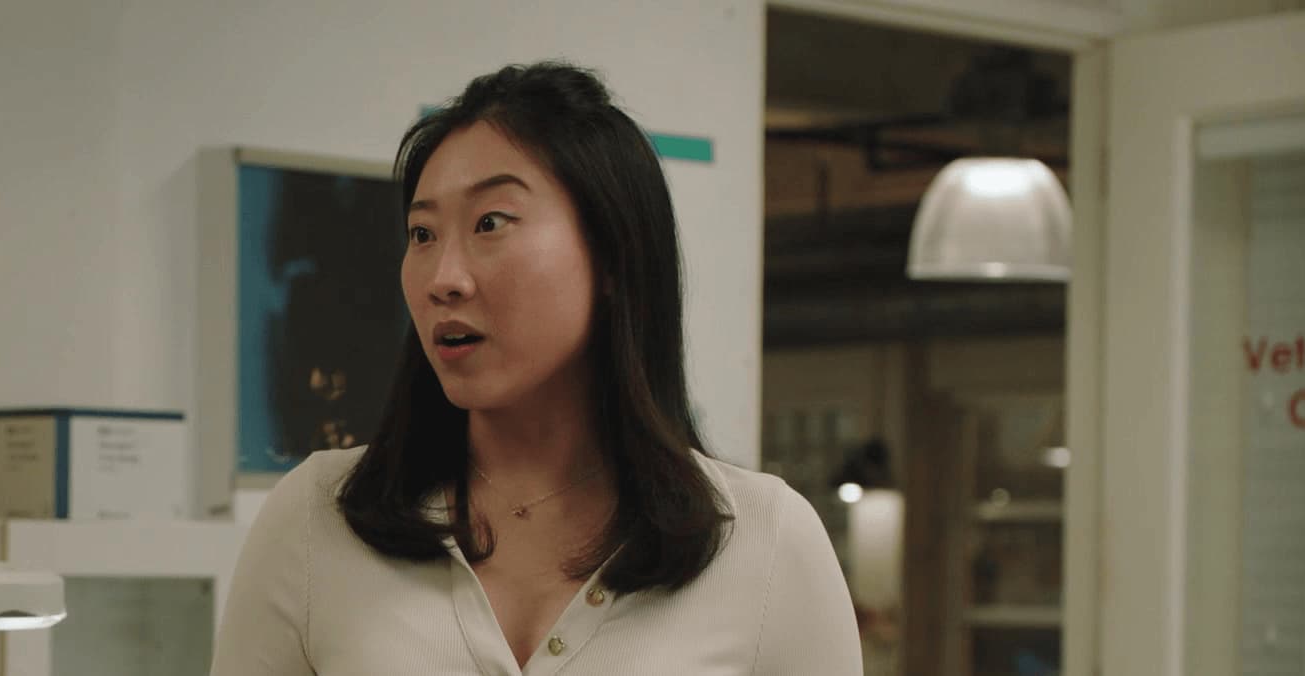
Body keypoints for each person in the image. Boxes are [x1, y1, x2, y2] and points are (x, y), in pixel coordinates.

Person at [211, 61, 861, 676]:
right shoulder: (318, 517)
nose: (443, 278)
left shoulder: (764, 541)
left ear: (612, 255)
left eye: (490, 223)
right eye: (422, 234)